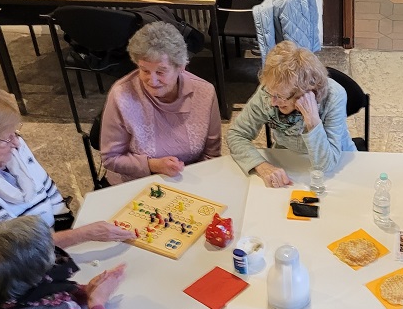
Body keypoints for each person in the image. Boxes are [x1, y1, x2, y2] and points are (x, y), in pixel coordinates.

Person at [0, 83, 132, 270]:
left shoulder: (9, 145)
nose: (16, 143)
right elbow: (13, 250)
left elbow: (48, 191)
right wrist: (81, 235)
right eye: (6, 138)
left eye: (14, 133)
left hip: (42, 248)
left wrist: (68, 233)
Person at [101, 21, 222, 185]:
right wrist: (153, 165)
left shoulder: (205, 92)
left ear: (181, 67)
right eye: (144, 70)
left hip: (191, 179)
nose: (152, 80)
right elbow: (111, 158)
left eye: (160, 72)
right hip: (136, 182)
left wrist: (191, 184)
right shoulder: (122, 94)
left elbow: (211, 155)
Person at [226, 41, 355, 188]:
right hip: (287, 157)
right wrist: (262, 166)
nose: (273, 102)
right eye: (271, 93)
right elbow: (236, 134)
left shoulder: (335, 95)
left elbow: (326, 165)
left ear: (305, 93)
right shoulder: (269, 92)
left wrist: (312, 120)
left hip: (338, 161)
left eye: (281, 96)